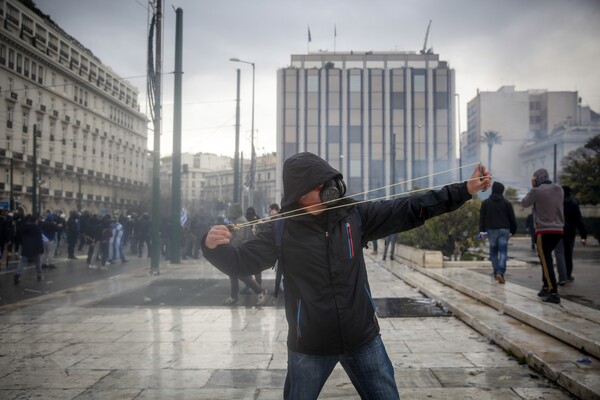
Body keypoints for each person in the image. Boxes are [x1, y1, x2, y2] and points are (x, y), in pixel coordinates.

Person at [202, 152, 491, 399]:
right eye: (320, 186)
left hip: (362, 337)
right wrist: (212, 247)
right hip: (310, 346)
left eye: (328, 182)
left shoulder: (353, 215)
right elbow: (241, 262)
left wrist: (464, 190)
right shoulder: (280, 230)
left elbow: (411, 208)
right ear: (300, 194)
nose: (329, 190)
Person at [521, 168, 564, 304]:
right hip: (558, 230)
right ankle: (545, 287)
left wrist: (534, 187)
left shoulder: (537, 191)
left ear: (536, 178)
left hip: (543, 231)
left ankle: (553, 292)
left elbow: (524, 203)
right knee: (547, 260)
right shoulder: (559, 189)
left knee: (546, 261)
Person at [222, 203, 268, 307]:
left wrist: (230, 248)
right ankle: (234, 296)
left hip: (238, 251)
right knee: (234, 273)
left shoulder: (240, 221)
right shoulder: (240, 220)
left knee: (241, 275)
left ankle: (259, 291)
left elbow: (239, 238)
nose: (230, 213)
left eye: (231, 211)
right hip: (240, 251)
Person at [478, 181, 517, 284]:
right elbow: (512, 218)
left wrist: (482, 231)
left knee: (493, 253)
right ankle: (500, 272)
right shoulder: (507, 203)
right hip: (504, 230)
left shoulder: (486, 203)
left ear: (493, 190)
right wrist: (513, 231)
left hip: (491, 230)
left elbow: (482, 218)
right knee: (503, 252)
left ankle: (496, 273)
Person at [555, 185, 587, 284]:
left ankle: (562, 275)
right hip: (570, 233)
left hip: (558, 231)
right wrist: (583, 236)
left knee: (560, 254)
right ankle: (568, 274)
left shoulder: (557, 203)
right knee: (568, 254)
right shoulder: (573, 203)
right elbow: (579, 220)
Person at [13, 214, 44, 284]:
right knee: (38, 262)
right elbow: (39, 239)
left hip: (26, 246)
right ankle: (39, 275)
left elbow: (19, 235)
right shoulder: (37, 228)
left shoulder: (24, 227)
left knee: (22, 262)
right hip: (35, 247)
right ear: (35, 221)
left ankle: (17, 275)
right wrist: (41, 249)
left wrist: (22, 243)